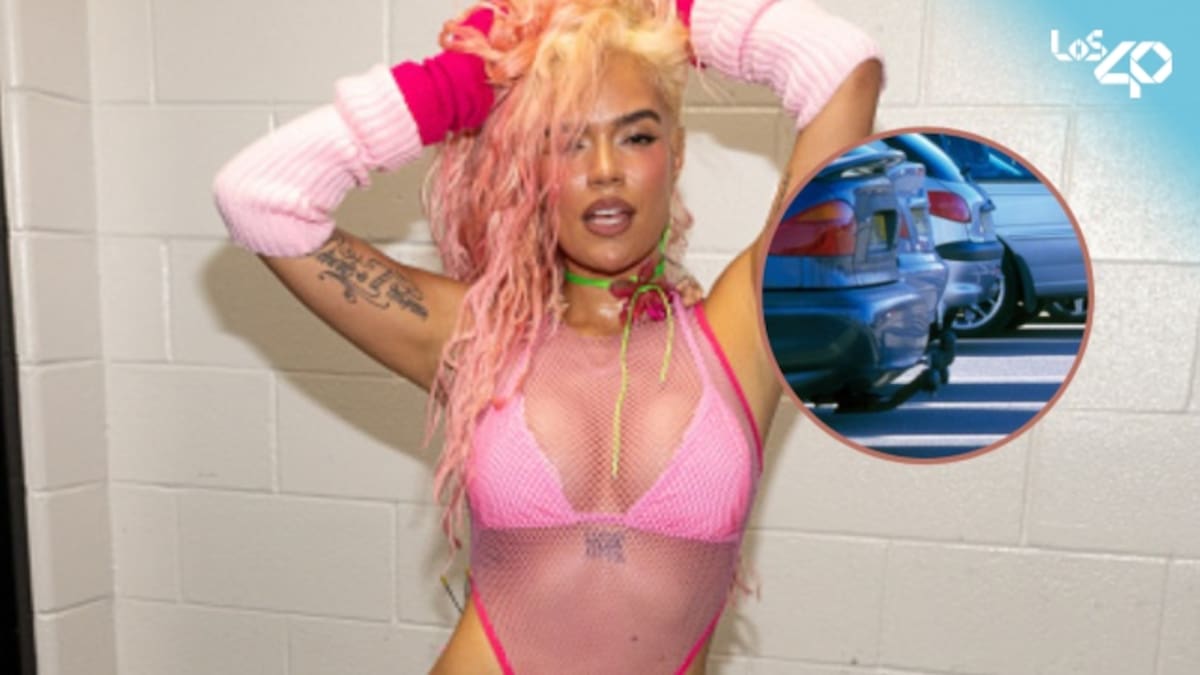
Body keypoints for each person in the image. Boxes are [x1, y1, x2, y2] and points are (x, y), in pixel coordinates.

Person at [213, 0, 882, 672]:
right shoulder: (476, 337)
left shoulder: (744, 333)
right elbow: (259, 196)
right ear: (530, 168)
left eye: (636, 137)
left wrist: (643, 11)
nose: (604, 169)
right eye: (565, 141)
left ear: (676, 152)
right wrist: (461, 82)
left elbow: (841, 67)